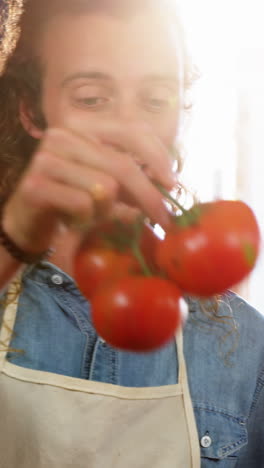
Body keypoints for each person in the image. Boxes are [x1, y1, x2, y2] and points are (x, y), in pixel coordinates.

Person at [0, 0, 263, 466]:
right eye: (91, 98)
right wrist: (14, 239)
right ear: (31, 114)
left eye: (155, 99)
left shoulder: (245, 345)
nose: (128, 129)